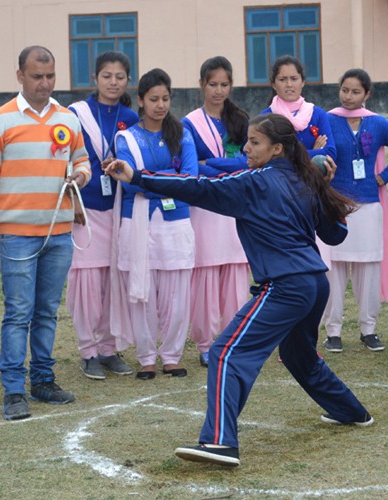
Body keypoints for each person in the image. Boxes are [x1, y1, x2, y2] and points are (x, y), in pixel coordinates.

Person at [104, 113, 372, 468]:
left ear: (276, 149)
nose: (245, 147)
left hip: (287, 286)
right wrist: (323, 188)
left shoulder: (254, 182)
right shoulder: (302, 179)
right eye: (247, 140)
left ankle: (219, 444)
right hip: (314, 285)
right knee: (299, 358)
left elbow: (198, 188)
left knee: (226, 353)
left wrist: (137, 176)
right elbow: (335, 235)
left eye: (255, 142)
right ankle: (351, 411)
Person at [0, 46, 90, 420]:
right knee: (18, 312)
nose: (44, 84)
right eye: (36, 76)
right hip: (17, 235)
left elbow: (81, 161)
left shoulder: (69, 119)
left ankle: (43, 380)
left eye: (50, 76)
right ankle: (14, 390)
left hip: (59, 233)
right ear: (20, 75)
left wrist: (79, 176)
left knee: (47, 311)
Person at [112, 68, 198, 380]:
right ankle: (146, 357)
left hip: (176, 223)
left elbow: (189, 178)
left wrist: (147, 179)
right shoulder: (127, 138)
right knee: (142, 293)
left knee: (177, 296)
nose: (160, 105)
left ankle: (172, 356)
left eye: (165, 99)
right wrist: (166, 182)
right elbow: (128, 182)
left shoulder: (182, 134)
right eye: (153, 99)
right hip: (138, 221)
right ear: (140, 101)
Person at [323, 69, 388, 353]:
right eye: (344, 90)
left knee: (369, 268)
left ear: (367, 94)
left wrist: (384, 176)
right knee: (333, 269)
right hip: (335, 205)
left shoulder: (378, 123)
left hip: (369, 205)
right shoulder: (328, 119)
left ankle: (368, 329)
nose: (348, 96)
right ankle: (333, 331)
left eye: (355, 91)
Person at [66, 51, 138, 380]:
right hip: (85, 208)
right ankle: (87, 350)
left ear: (128, 81)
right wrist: (72, 202)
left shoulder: (130, 117)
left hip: (118, 210)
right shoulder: (75, 115)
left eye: (119, 77)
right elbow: (63, 163)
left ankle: (109, 348)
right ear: (95, 78)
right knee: (86, 283)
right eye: (107, 76)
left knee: (114, 282)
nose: (113, 82)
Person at [181, 56, 249, 367]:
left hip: (235, 208)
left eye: (224, 84)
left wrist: (215, 166)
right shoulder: (189, 124)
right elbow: (193, 170)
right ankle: (206, 343)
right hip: (206, 208)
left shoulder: (241, 120)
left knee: (235, 274)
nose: (218, 91)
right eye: (212, 84)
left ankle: (234, 337)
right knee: (206, 275)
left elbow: (249, 163)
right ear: (201, 85)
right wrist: (222, 170)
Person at [262, 55, 336, 159]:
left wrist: (285, 155)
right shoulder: (265, 118)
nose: (289, 84)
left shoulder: (318, 115)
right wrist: (314, 152)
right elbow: (263, 156)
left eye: (294, 79)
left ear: (303, 82)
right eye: (282, 79)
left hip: (310, 175)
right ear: (273, 84)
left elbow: (331, 153)